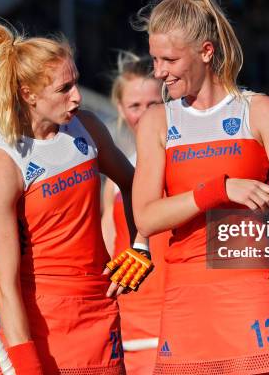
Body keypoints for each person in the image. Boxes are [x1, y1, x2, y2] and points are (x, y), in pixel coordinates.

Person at [127, 0, 269, 374]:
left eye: (169, 60)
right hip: (184, 298)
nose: (159, 73)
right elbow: (146, 217)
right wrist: (219, 190)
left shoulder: (260, 112)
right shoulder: (158, 120)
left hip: (250, 291)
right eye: (155, 60)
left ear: (206, 52)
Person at [0, 23, 136, 375]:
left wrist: (139, 244)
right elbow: (5, 285)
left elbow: (133, 184)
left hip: (99, 312)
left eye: (75, 82)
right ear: (28, 94)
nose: (77, 97)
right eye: (64, 88)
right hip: (39, 324)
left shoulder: (87, 128)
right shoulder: (4, 163)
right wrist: (26, 363)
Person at [101, 51, 169, 375]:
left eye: (153, 104)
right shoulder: (118, 170)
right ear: (120, 109)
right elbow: (108, 243)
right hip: (126, 324)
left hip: (174, 322)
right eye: (134, 106)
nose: (144, 115)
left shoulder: (184, 156)